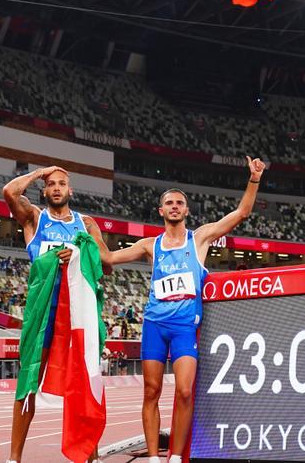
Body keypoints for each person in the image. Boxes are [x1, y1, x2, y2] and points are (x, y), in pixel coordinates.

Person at [102, 156, 267, 463]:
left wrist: (254, 178)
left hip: (183, 328)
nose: (175, 206)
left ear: (187, 210)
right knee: (150, 392)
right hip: (154, 325)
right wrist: (93, 233)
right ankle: (154, 458)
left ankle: (175, 456)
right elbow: (109, 259)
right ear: (161, 210)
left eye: (179, 202)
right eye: (169, 203)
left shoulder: (199, 238)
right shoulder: (151, 246)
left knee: (185, 392)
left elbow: (242, 212)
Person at [2, 165, 112, 463]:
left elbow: (107, 264)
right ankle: (14, 459)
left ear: (70, 190)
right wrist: (40, 171)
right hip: (42, 314)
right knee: (27, 382)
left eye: (62, 183)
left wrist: (79, 252)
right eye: (51, 184)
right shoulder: (35, 218)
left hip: (77, 316)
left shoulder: (86, 224)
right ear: (44, 189)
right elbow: (10, 192)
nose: (56, 188)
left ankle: (91, 455)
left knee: (85, 381)